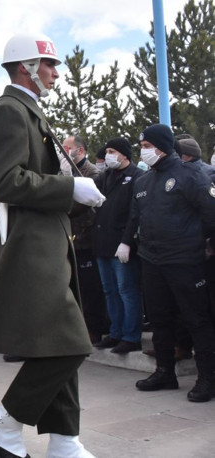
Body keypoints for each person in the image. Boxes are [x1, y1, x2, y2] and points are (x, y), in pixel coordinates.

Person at [0, 33, 105, 458]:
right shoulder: (9, 111)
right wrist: (69, 187)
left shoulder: (29, 110)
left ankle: (64, 440)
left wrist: (73, 194)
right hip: (31, 247)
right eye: (49, 65)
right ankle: (2, 421)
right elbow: (4, 182)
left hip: (49, 242)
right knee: (72, 341)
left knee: (59, 342)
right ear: (26, 67)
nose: (56, 73)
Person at [130, 124, 215, 403]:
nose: (143, 152)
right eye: (141, 147)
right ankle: (165, 372)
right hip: (152, 260)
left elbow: (211, 214)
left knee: (196, 319)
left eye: (147, 146)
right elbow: (137, 217)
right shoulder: (143, 182)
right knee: (159, 318)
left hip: (185, 261)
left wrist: (205, 245)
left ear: (163, 146)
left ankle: (207, 379)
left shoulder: (191, 175)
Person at [92, 138, 144, 353]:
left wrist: (126, 241)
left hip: (122, 244)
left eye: (112, 151)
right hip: (103, 243)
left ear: (124, 154)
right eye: (107, 152)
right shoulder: (106, 176)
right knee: (110, 291)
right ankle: (115, 333)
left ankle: (131, 336)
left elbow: (135, 213)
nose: (108, 155)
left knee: (126, 291)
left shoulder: (136, 176)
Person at [62, 135, 107, 345]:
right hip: (69, 239)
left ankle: (94, 329)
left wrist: (61, 192)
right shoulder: (65, 172)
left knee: (90, 289)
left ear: (80, 151)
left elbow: (79, 205)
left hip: (85, 238)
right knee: (73, 288)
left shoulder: (92, 173)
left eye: (67, 148)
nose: (63, 151)